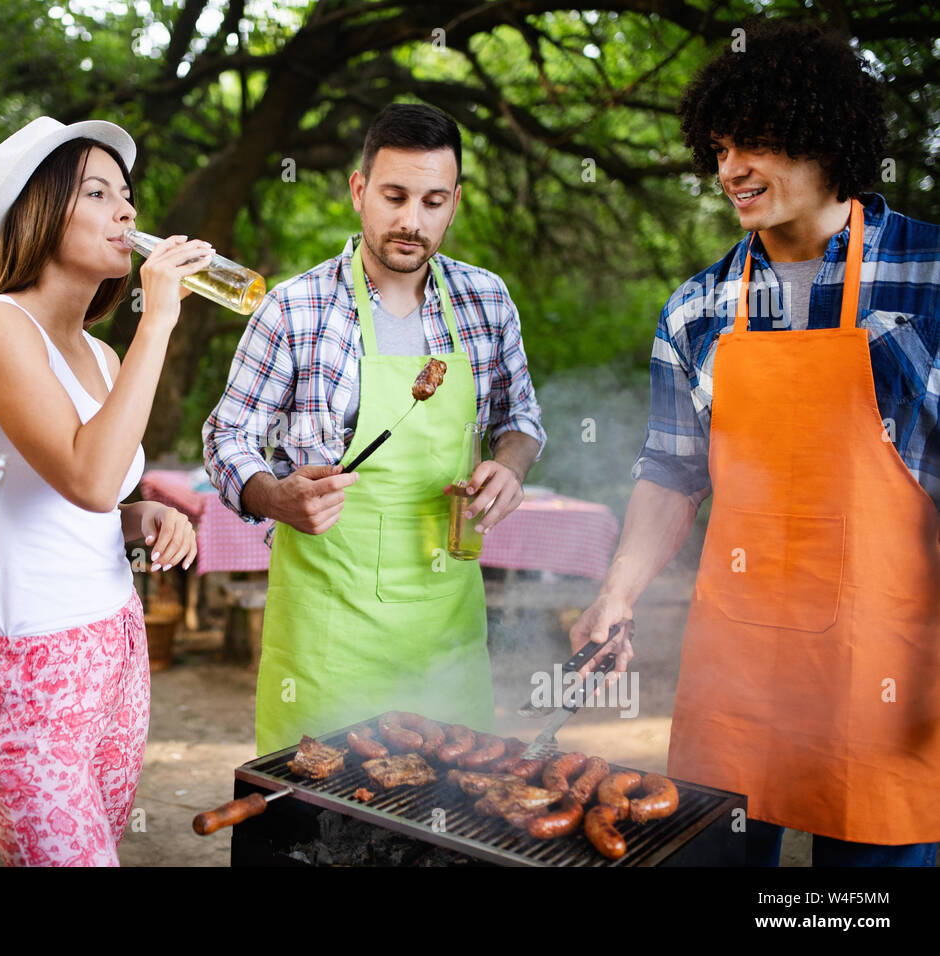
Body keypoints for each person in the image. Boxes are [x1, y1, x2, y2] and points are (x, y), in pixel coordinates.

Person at [569, 20, 940, 866]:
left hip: (889, 662)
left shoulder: (930, 273)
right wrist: (618, 591)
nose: (733, 169)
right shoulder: (698, 308)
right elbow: (670, 474)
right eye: (723, 146)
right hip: (740, 665)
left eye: (760, 145)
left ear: (829, 138)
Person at [204, 104, 547, 755]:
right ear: (360, 189)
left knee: (448, 831)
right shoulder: (293, 308)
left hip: (446, 634)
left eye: (433, 200)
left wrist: (510, 466)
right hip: (329, 642)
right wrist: (272, 496)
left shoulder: (487, 301)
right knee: (318, 833)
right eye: (394, 196)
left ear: (456, 203)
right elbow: (228, 437)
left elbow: (520, 421)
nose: (411, 221)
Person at [0, 117, 200, 866]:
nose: (128, 213)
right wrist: (161, 318)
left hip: (115, 645)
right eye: (99, 193)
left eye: (128, 195)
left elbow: (98, 499)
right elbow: (88, 475)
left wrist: (142, 518)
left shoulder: (104, 357)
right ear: (37, 213)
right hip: (26, 668)